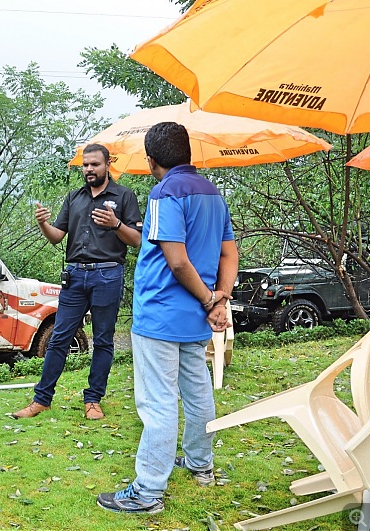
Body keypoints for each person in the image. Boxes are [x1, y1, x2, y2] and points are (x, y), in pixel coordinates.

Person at [97, 122, 238, 515]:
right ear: (188, 154)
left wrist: (212, 298)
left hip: (160, 315)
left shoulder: (164, 192)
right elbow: (229, 254)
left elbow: (176, 261)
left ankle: (148, 491)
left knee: (157, 402)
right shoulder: (212, 193)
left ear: (151, 159)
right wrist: (218, 299)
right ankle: (200, 465)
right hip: (195, 317)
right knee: (196, 392)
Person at [12, 143, 142, 421]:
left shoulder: (125, 196)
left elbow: (138, 241)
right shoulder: (74, 197)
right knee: (59, 337)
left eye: (95, 164)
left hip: (108, 273)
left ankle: (93, 400)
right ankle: (41, 400)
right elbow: (57, 237)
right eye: (85, 165)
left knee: (104, 340)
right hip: (75, 275)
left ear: (108, 165)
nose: (89, 169)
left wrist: (116, 224)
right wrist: (43, 224)